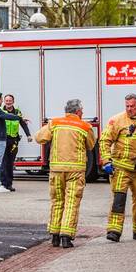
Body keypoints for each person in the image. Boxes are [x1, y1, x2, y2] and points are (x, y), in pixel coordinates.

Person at [33, 98, 97, 248]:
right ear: (78, 111)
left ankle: (54, 236)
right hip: (75, 170)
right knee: (71, 203)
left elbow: (39, 137)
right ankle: (66, 237)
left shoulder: (54, 123)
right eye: (82, 110)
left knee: (57, 201)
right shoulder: (85, 126)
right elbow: (91, 145)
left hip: (56, 170)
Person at [99, 93, 136, 242]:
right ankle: (114, 230)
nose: (130, 109)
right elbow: (104, 140)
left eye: (132, 106)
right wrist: (106, 161)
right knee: (119, 199)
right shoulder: (117, 120)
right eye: (127, 106)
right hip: (121, 168)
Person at [0, 94, 30, 192]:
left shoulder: (17, 112)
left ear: (13, 101)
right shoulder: (0, 111)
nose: (8, 102)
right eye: (7, 100)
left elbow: (22, 124)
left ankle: (9, 184)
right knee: (3, 163)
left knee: (10, 163)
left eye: (10, 100)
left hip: (14, 141)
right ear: (4, 101)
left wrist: (28, 135)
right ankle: (3, 184)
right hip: (4, 140)